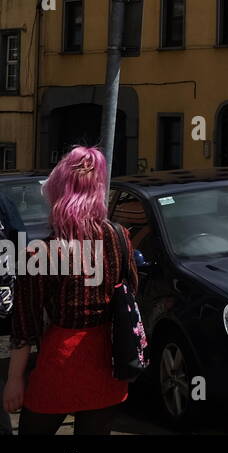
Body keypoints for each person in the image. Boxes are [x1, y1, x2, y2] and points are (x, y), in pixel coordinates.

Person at [3, 146, 138, 435]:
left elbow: (25, 324)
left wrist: (14, 379)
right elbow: (130, 292)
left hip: (61, 361)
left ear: (58, 193)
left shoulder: (44, 253)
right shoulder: (120, 236)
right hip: (108, 358)